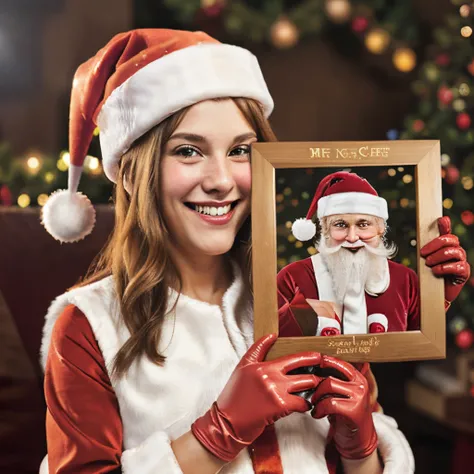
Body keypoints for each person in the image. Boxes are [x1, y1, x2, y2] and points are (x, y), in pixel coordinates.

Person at [39, 29, 414, 474]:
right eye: (188, 151)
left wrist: (362, 450)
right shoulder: (89, 327)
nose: (221, 180)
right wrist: (220, 430)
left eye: (240, 150)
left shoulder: (310, 300)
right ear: (132, 172)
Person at [278, 171, 470, 337]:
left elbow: (422, 340)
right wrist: (302, 315)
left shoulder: (405, 279)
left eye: (363, 225)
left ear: (380, 229)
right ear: (325, 230)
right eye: (340, 225)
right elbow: (268, 337)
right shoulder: (292, 276)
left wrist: (440, 295)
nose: (352, 237)